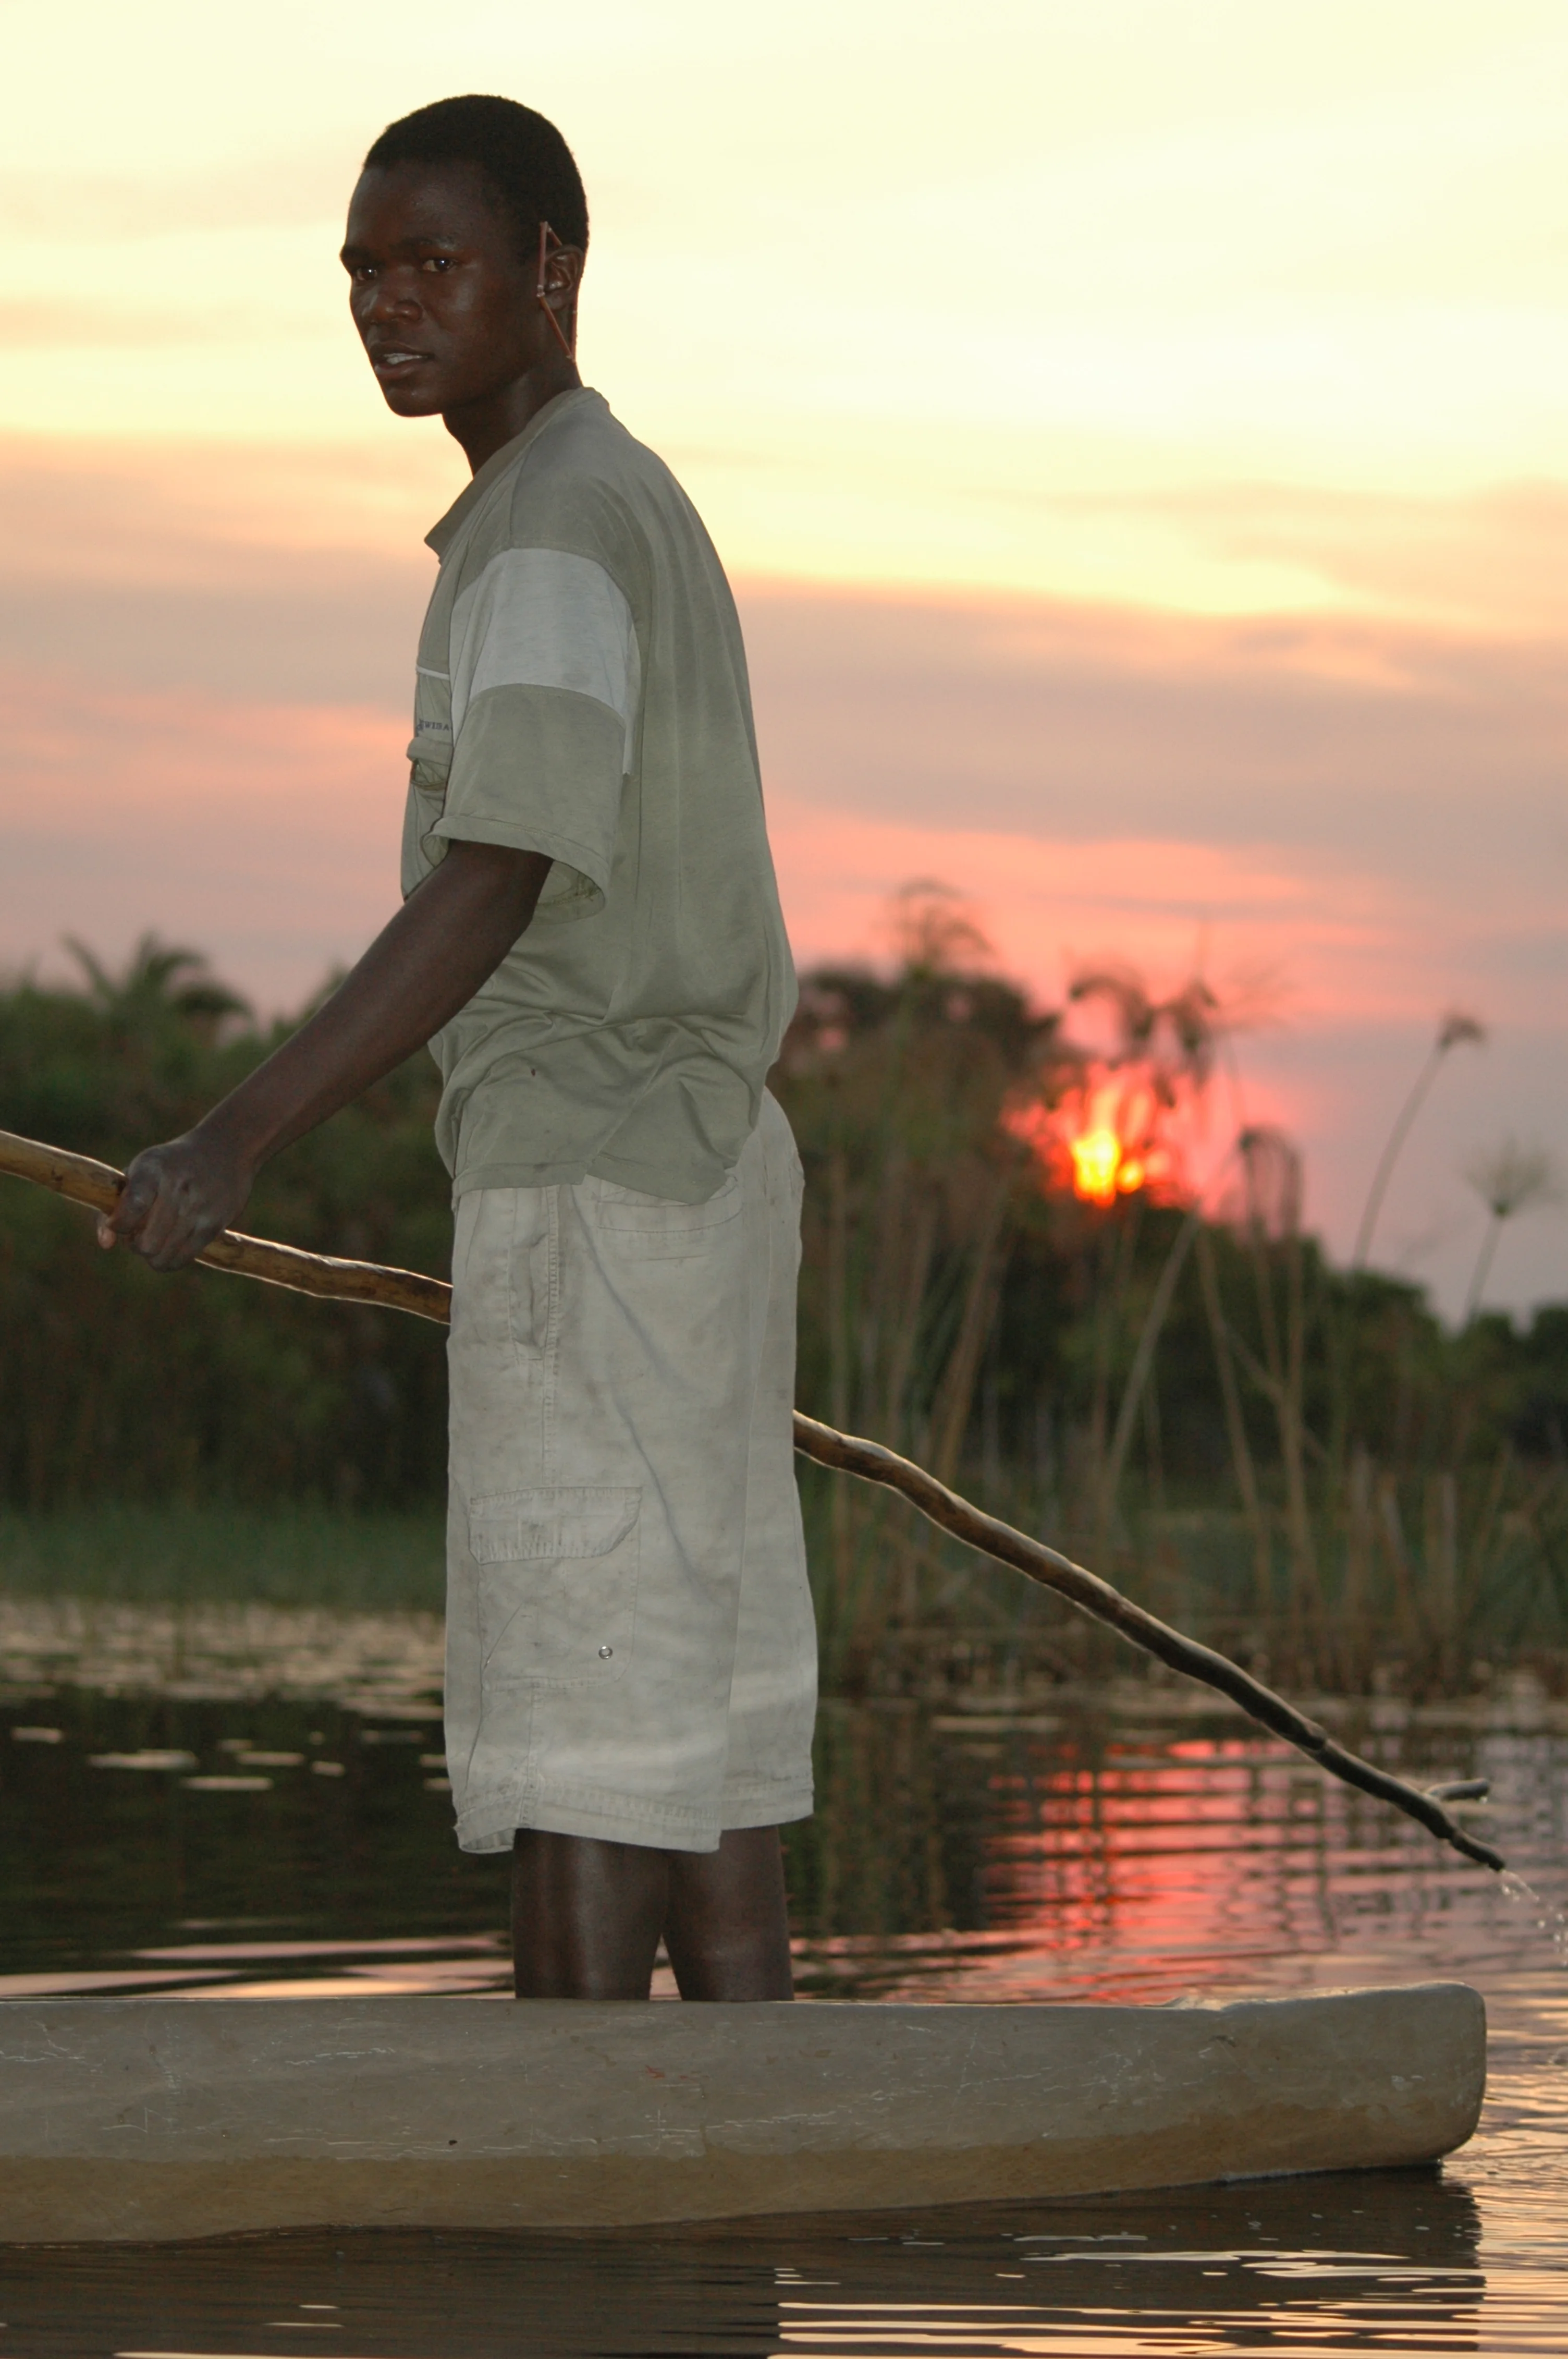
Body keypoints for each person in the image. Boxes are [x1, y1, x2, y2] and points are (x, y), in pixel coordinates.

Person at [98, 94, 816, 2002]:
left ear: (551, 275)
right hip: (706, 1178)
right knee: (702, 1745)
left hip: (599, 1186)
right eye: (362, 272)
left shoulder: (558, 528)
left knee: (591, 1737)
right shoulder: (599, 498)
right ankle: (765, 2184)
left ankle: (556, 2224)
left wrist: (233, 1136)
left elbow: (497, 873)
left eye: (434, 263)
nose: (388, 305)